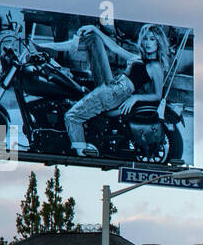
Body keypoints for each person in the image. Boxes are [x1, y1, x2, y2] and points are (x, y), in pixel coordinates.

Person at [60, 23, 171, 157]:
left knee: (71, 117)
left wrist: (135, 98)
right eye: (145, 39)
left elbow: (158, 95)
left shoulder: (155, 66)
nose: (148, 43)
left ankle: (82, 152)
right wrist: (95, 29)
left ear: (159, 42)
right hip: (112, 85)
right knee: (95, 40)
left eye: (152, 39)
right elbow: (115, 48)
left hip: (114, 93)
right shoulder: (140, 59)